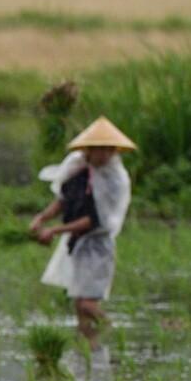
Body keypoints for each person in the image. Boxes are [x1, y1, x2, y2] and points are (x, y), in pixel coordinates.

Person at [30, 116, 135, 343]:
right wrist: (41, 218)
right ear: (89, 149)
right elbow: (64, 200)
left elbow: (94, 220)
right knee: (79, 304)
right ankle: (89, 350)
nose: (105, 155)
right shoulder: (78, 169)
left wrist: (55, 230)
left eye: (109, 150)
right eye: (100, 149)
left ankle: (113, 332)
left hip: (99, 247)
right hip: (78, 245)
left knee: (88, 304)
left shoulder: (114, 179)